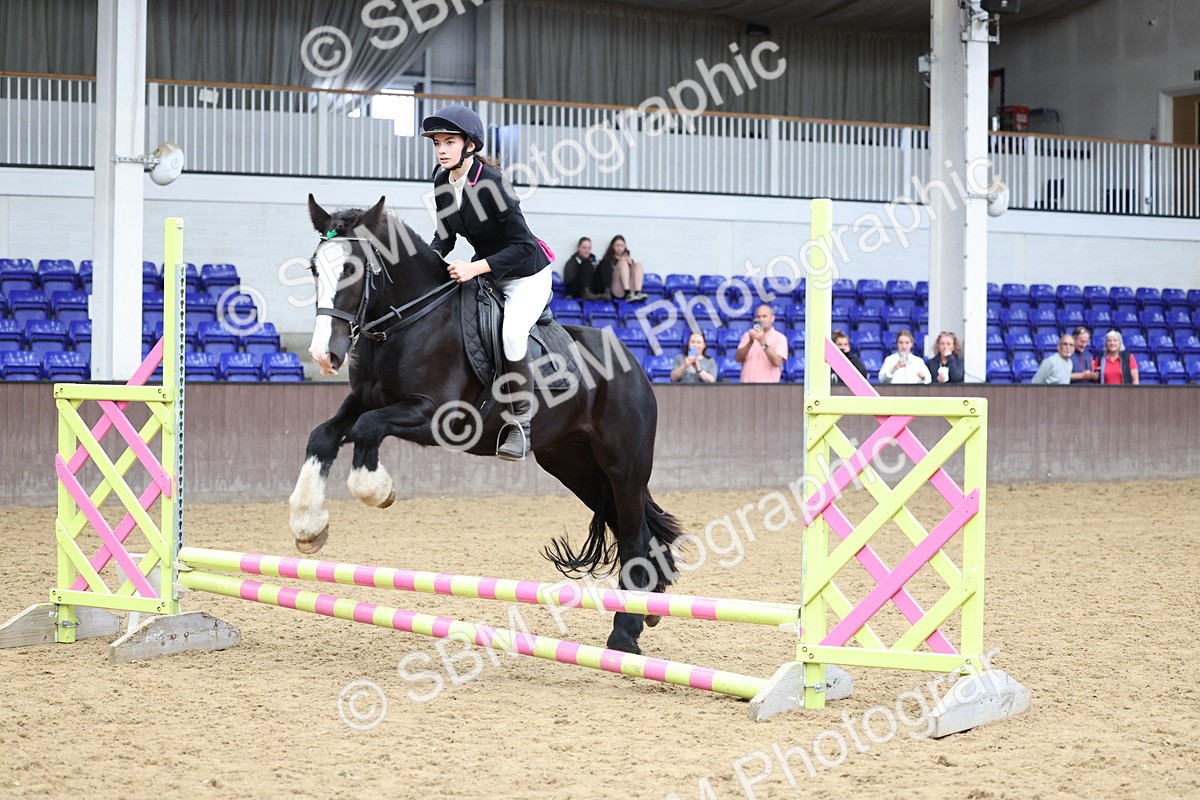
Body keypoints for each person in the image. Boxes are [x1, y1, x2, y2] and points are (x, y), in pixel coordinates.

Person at [422, 104, 552, 461]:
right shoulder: (442, 180)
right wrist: (424, 261)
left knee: (511, 333)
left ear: (470, 146)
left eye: (449, 142)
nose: (442, 149)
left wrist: (475, 267)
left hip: (527, 275)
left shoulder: (493, 184)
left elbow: (524, 247)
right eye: (437, 143)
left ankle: (520, 423)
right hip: (491, 274)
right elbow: (446, 237)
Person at [735, 305, 787, 383]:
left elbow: (777, 362)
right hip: (746, 386)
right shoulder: (748, 336)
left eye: (764, 316)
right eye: (758, 317)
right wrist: (750, 342)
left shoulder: (780, 338)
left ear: (772, 318)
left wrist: (763, 343)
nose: (761, 319)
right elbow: (738, 358)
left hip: (768, 387)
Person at [600, 235, 646, 302]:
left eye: (622, 246)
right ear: (612, 246)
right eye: (617, 245)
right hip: (617, 288)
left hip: (631, 287)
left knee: (638, 265)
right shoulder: (608, 259)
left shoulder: (628, 258)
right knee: (622, 263)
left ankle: (638, 292)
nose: (619, 248)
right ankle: (627, 293)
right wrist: (620, 262)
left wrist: (631, 264)